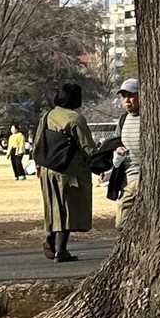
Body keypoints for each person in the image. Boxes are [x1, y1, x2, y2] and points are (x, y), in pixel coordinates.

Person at [34, 80, 95, 261]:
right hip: (68, 170)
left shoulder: (48, 116)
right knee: (67, 209)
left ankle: (52, 239)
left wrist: (38, 167)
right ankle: (61, 250)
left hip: (47, 169)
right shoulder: (75, 119)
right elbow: (87, 147)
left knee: (53, 208)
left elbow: (38, 142)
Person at [114, 77, 141, 229]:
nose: (127, 100)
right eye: (123, 96)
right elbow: (117, 144)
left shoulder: (151, 118)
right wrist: (118, 152)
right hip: (126, 175)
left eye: (131, 95)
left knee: (122, 222)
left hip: (141, 175)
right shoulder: (123, 120)